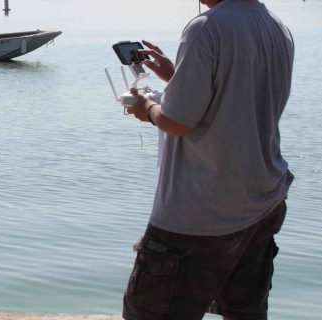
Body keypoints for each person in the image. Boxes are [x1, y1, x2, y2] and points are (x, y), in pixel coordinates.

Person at [122, 0, 295, 319]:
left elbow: (177, 122)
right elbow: (234, 101)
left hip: (201, 210)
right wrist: (175, 77)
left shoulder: (205, 27)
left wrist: (145, 108)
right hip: (261, 200)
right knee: (243, 312)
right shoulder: (275, 25)